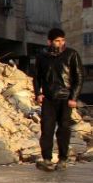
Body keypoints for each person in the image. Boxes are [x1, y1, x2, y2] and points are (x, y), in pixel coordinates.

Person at [33, 28, 84, 171]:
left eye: (62, 40)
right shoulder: (42, 57)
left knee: (63, 130)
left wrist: (73, 97)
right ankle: (47, 159)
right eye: (57, 40)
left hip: (65, 98)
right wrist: (38, 93)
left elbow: (79, 78)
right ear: (49, 41)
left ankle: (62, 159)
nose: (60, 43)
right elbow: (36, 77)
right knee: (47, 129)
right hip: (48, 99)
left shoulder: (71, 55)